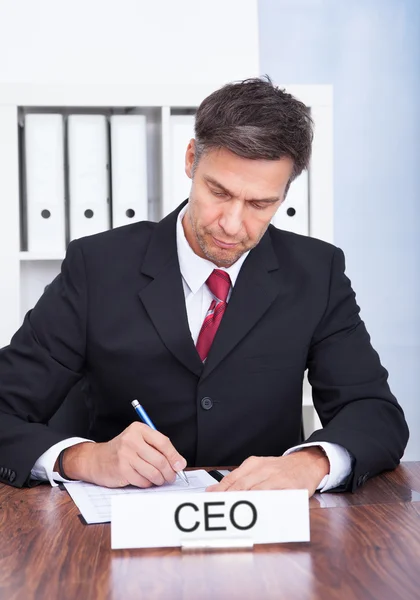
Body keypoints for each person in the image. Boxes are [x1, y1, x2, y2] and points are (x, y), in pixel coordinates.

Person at [0, 77, 409, 495]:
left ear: (284, 193)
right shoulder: (97, 267)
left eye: (259, 204)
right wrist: (84, 457)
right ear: (192, 159)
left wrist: (311, 463)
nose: (232, 225)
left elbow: (374, 412)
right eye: (219, 192)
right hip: (116, 531)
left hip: (262, 530)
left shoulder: (317, 272)